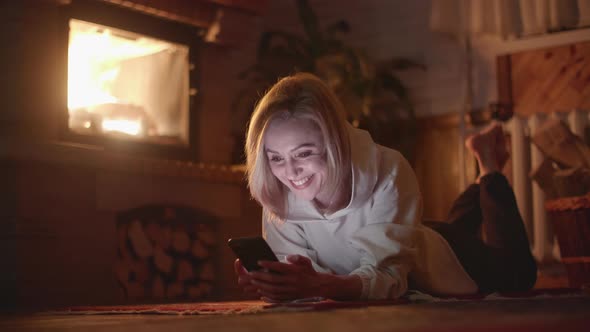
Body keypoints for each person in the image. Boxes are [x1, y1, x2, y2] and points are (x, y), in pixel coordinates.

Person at [234, 72, 537, 301]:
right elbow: (307, 281)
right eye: (276, 157)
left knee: (519, 273)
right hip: (402, 233)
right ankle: (477, 183)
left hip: (440, 261)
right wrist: (279, 283)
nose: (290, 172)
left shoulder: (388, 169)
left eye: (304, 153)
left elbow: (389, 277)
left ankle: (489, 167)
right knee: (426, 230)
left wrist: (319, 284)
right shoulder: (277, 188)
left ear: (335, 142)